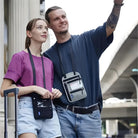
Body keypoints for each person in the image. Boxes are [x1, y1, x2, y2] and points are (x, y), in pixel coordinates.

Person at [44, 0, 124, 138]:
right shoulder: (47, 56)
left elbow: (110, 27)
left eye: (64, 16)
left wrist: (117, 5)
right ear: (49, 25)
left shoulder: (88, 40)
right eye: (56, 19)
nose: (62, 20)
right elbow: (44, 85)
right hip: (64, 115)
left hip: (90, 115)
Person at [0, 18, 62, 138]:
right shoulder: (19, 57)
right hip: (27, 109)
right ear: (29, 33)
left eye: (46, 28)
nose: (44, 31)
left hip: (49, 110)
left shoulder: (49, 62)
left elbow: (46, 89)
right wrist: (34, 88)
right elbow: (4, 90)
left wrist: (54, 91)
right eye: (39, 27)